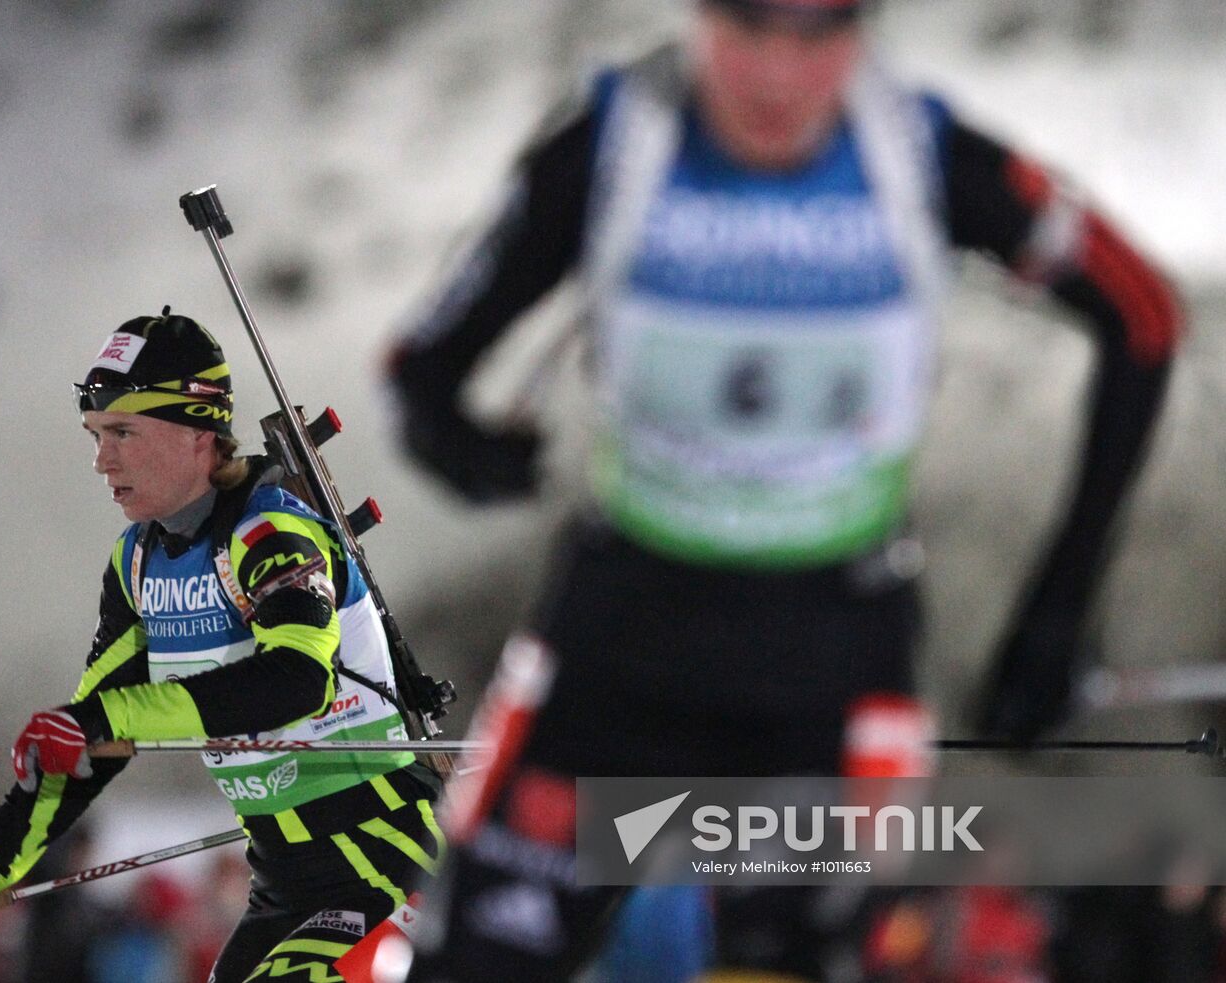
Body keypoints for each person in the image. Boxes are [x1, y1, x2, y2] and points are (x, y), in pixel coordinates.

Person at [384, 0, 1182, 978]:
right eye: (748, 27)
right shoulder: (615, 142)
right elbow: (422, 361)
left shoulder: (922, 156)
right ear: (694, 19)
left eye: (820, 31)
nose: (778, 74)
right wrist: (452, 439)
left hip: (822, 667)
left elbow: (1139, 314)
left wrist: (1059, 605)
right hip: (618, 646)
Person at [0, 310, 444, 983]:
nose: (103, 459)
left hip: (385, 856)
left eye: (123, 431)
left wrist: (112, 717)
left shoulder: (269, 532)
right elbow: (84, 748)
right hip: (285, 885)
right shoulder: (137, 566)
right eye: (96, 435)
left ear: (196, 431)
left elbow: (298, 679)